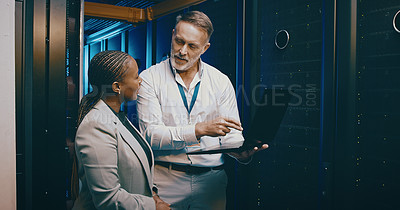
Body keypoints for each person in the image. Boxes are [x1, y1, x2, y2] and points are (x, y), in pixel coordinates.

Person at [137, 11, 268, 210]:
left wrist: (241, 153)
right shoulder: (149, 79)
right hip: (165, 181)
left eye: (192, 46)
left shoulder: (221, 81)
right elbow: (150, 135)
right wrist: (199, 129)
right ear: (172, 34)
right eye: (179, 41)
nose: (182, 51)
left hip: (212, 182)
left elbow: (231, 134)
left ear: (205, 48)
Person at [71, 50, 170, 210]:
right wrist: (153, 206)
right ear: (117, 87)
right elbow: (108, 200)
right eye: (136, 76)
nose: (141, 81)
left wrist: (153, 195)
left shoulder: (118, 117)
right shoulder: (95, 126)